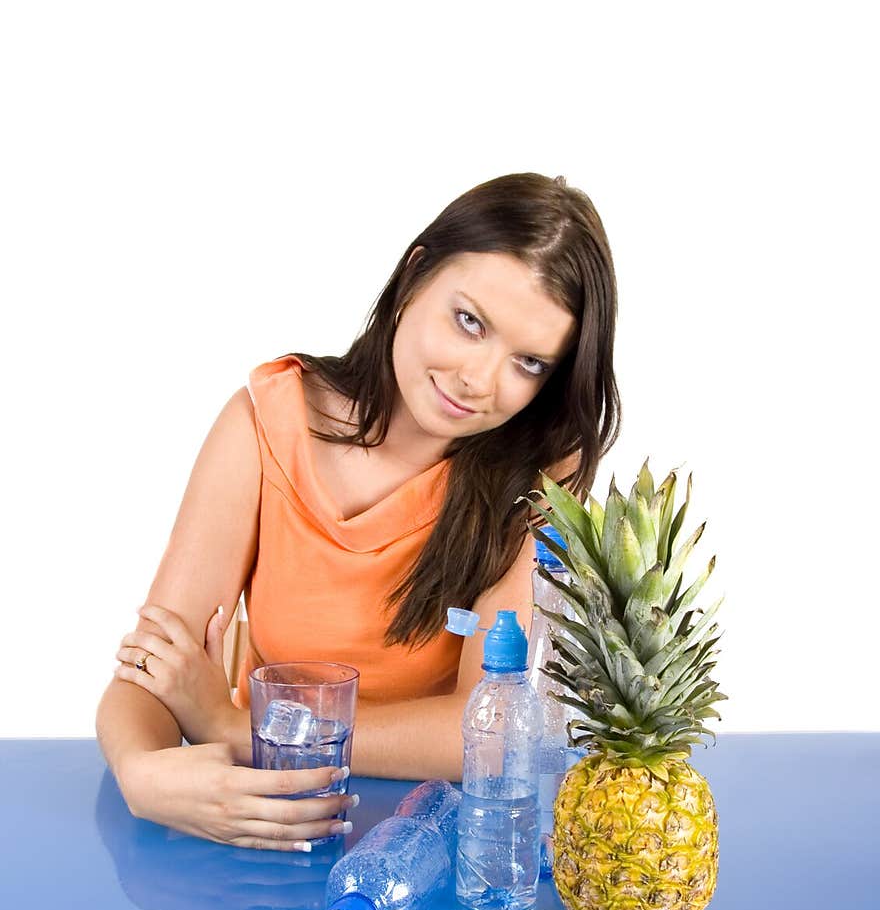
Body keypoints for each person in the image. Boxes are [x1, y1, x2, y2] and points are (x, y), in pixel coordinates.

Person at [96, 171, 621, 851]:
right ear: (415, 275)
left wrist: (231, 725)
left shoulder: (542, 474)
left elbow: (485, 735)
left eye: (528, 362)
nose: (479, 380)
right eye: (469, 322)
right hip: (262, 829)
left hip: (428, 850)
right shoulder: (264, 424)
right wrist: (142, 774)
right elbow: (147, 674)